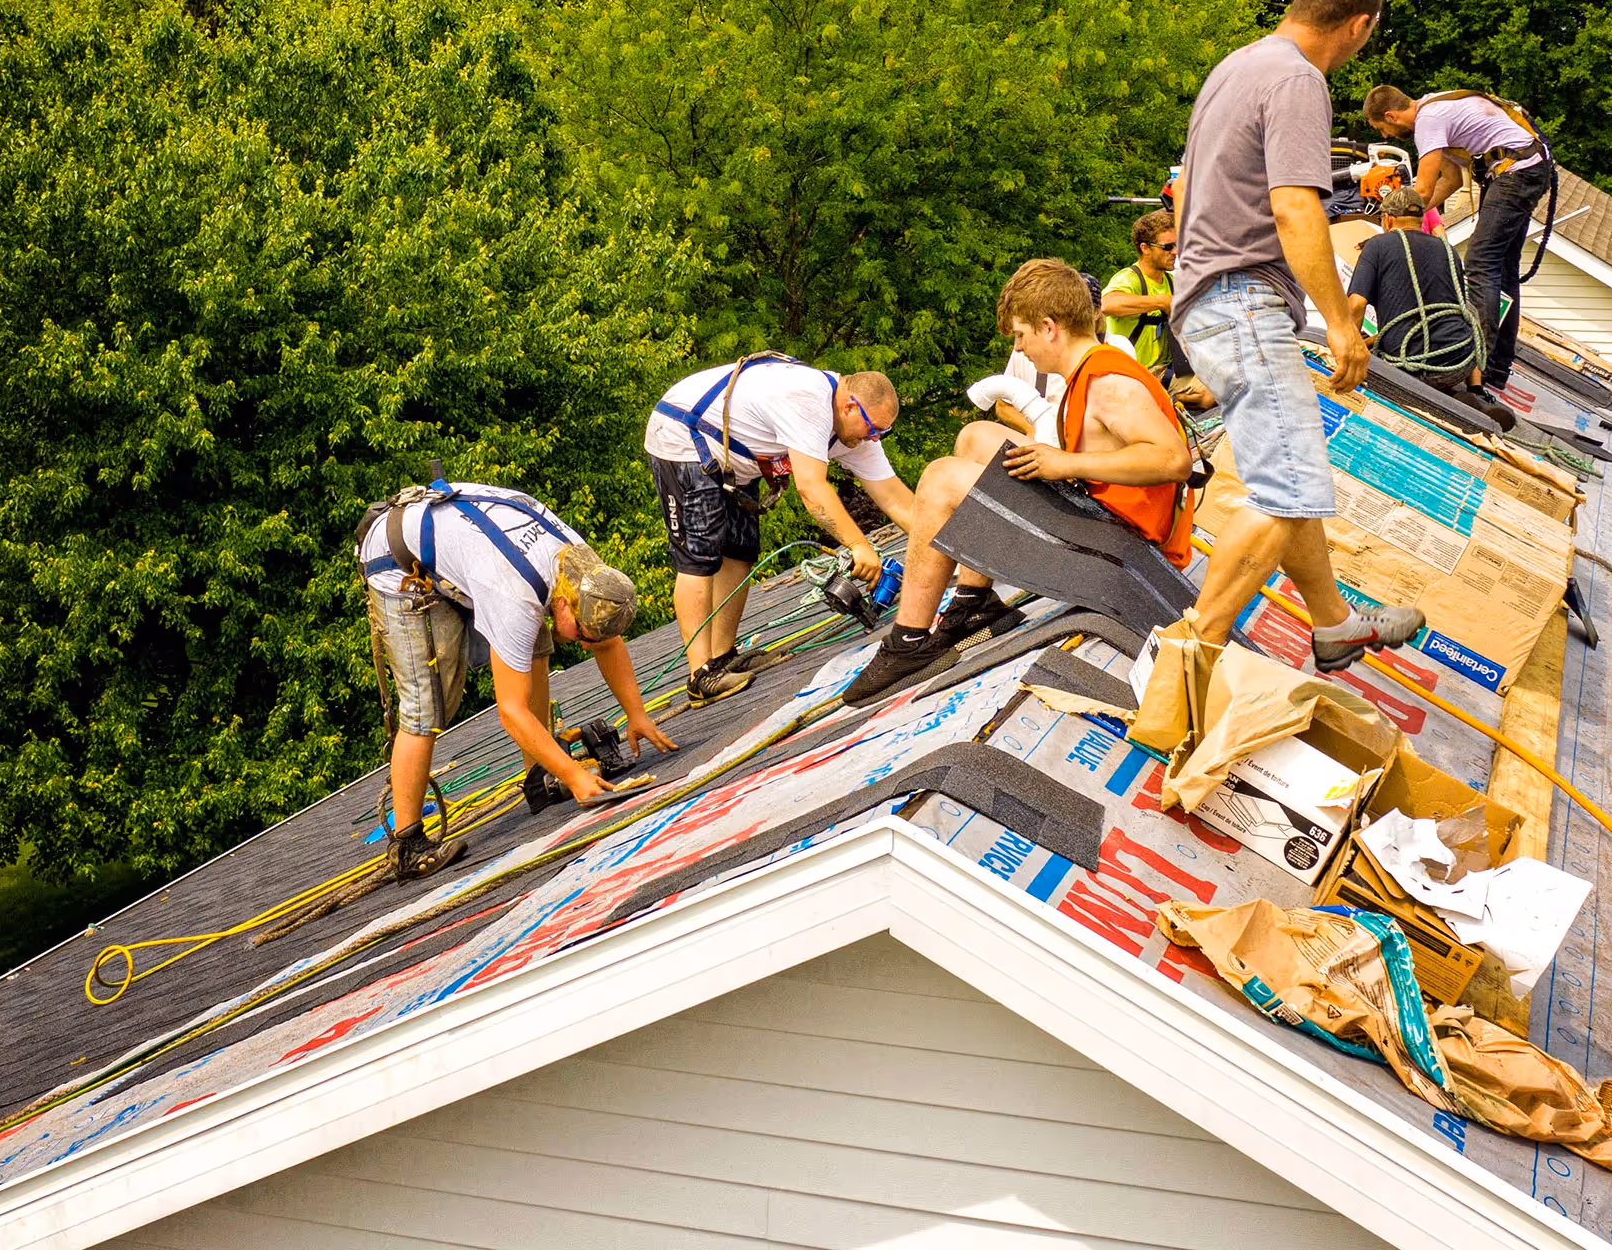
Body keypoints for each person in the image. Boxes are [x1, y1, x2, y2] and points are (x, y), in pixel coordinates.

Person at [1169, 0, 1427, 669]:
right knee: (1286, 490)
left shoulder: (1238, 66)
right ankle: (1184, 664)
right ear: (1361, 24)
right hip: (1242, 299)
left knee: (1287, 473)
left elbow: (1185, 192)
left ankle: (1333, 625)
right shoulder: (1298, 81)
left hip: (1208, 296)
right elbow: (1294, 209)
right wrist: (1342, 324)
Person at [844, 260, 1196, 703]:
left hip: (1121, 558)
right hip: (1104, 527)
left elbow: (1172, 461)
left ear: (1049, 328)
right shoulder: (1089, 370)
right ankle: (974, 604)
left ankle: (908, 642)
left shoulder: (1108, 383)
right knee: (977, 437)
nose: (1020, 348)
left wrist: (1064, 464)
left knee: (940, 479)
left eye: (1020, 335)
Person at [357, 480, 672, 879]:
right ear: (564, 604)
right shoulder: (515, 596)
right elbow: (511, 711)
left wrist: (637, 714)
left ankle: (540, 776)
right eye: (582, 634)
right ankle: (407, 846)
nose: (585, 645)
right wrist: (576, 776)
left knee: (533, 641)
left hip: (473, 551)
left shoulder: (581, 568)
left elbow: (606, 641)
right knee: (427, 705)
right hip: (397, 563)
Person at [644, 356, 917, 703]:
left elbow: (894, 497)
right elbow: (811, 489)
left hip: (731, 455)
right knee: (699, 559)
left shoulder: (854, 431)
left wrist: (942, 550)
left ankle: (723, 657)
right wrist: (859, 545)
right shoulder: (808, 399)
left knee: (740, 551)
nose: (875, 439)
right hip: (684, 438)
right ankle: (701, 675)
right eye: (873, 429)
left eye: (882, 432)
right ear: (850, 407)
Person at [1360, 83, 1556, 406]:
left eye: (1382, 128)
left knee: (1480, 263)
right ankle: (1497, 368)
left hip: (1516, 171)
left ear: (1391, 116)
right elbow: (1449, 181)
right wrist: (1412, 219)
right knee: (1503, 270)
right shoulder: (1437, 111)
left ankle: (1476, 364)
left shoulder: (1428, 120)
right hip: (1527, 165)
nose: (1386, 135)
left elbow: (1423, 190)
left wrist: (1392, 226)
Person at [1347, 184, 1507, 427]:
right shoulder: (1448, 250)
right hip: (1458, 361)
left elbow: (1356, 305)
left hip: (1411, 363)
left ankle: (1445, 400)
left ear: (1387, 219)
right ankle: (1471, 395)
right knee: (1469, 311)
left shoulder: (1378, 245)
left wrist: (1349, 352)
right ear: (1421, 219)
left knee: (1394, 371)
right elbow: (1448, 313)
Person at [1100, 209, 1177, 374]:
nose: (1175, 252)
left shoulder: (1172, 281)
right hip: (1131, 373)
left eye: (1177, 245)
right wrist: (1162, 302)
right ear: (1145, 248)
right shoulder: (1129, 278)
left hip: (1166, 369)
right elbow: (1107, 304)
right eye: (1168, 247)